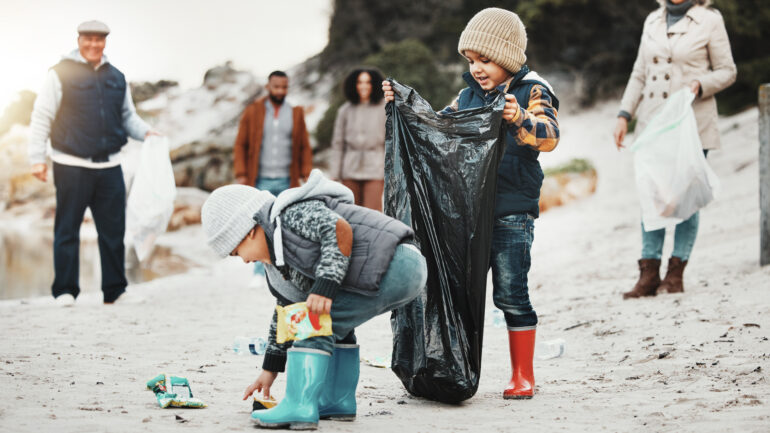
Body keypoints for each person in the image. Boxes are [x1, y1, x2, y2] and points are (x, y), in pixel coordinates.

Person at [383, 7, 560, 400]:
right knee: (459, 288)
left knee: (511, 290)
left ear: (508, 56)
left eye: (486, 60)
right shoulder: (467, 96)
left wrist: (519, 120)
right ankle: (453, 362)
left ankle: (522, 375)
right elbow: (436, 126)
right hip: (468, 213)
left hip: (512, 210)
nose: (477, 68)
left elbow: (549, 135)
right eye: (471, 61)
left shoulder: (532, 89)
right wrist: (403, 103)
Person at [201, 169, 427, 429]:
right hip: (394, 271)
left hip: (398, 261)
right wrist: (270, 369)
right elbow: (286, 314)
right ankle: (337, 401)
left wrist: (324, 286)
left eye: (236, 251)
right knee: (329, 323)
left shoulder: (289, 215)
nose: (243, 260)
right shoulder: (276, 264)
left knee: (315, 322)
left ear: (248, 231)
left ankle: (300, 406)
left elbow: (338, 229)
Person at [27, 20, 159, 306]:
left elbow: (127, 116)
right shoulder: (59, 73)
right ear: (79, 40)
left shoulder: (117, 77)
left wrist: (146, 132)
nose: (93, 44)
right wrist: (37, 159)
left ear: (105, 42)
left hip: (110, 165)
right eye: (88, 39)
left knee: (113, 232)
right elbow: (42, 116)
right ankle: (64, 291)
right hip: (70, 163)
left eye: (99, 40)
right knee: (67, 229)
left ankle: (115, 290)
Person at [614, 0, 736, 299]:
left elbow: (727, 71)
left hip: (691, 124)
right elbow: (639, 74)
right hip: (654, 123)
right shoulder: (652, 20)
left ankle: (676, 274)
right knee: (652, 195)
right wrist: (624, 114)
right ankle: (649, 274)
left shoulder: (709, 20)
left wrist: (700, 83)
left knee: (685, 197)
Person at [233, 70, 313, 287]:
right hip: (260, 179)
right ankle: (259, 273)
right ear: (268, 87)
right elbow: (241, 144)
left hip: (288, 180)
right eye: (276, 87)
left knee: (286, 226)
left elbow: (304, 145)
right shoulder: (253, 111)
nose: (280, 91)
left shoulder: (295, 113)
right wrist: (241, 173)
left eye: (284, 87)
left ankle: (287, 272)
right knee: (259, 226)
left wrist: (307, 173)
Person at [328, 67, 387, 211]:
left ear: (374, 85)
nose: (364, 86)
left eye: (368, 82)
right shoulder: (345, 110)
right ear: (354, 85)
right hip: (350, 169)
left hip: (375, 168)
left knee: (372, 213)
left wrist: (390, 170)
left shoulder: (385, 108)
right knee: (351, 212)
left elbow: (390, 142)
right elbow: (338, 144)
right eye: (360, 82)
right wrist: (334, 174)